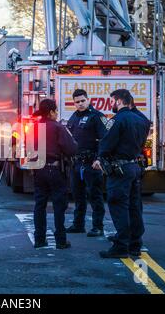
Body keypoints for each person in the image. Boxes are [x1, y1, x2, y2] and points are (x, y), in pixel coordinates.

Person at [92, 89, 149, 258]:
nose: (111, 105)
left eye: (112, 101)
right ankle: (135, 243)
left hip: (119, 170)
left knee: (118, 206)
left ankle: (121, 246)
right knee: (134, 206)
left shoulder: (116, 120)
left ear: (118, 101)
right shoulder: (141, 120)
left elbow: (106, 143)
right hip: (134, 167)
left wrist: (100, 158)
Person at [32, 99, 77, 249]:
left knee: (40, 205)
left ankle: (39, 239)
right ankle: (61, 240)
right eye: (56, 111)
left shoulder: (34, 127)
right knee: (59, 205)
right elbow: (71, 149)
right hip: (55, 169)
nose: (57, 113)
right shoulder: (58, 127)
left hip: (39, 169)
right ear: (51, 112)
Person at [66, 89, 107, 237]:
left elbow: (105, 139)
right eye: (77, 102)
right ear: (74, 103)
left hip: (92, 162)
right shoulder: (73, 117)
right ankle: (78, 225)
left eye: (83, 101)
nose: (80, 104)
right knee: (78, 195)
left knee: (95, 196)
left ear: (88, 100)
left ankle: (98, 226)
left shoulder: (97, 117)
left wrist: (99, 158)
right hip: (77, 163)